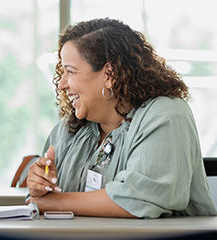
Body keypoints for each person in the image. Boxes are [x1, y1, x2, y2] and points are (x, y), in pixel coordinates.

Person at [26, 18, 217, 218]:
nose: (61, 84)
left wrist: (52, 202)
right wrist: (40, 185)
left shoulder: (166, 114)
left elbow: (140, 199)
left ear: (109, 74)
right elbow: (43, 197)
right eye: (62, 72)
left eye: (70, 72)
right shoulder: (69, 128)